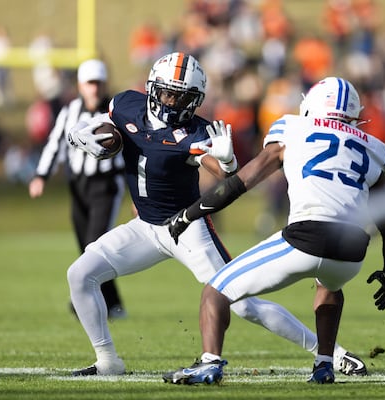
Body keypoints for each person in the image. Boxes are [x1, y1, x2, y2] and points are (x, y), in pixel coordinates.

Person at [65, 52, 367, 377]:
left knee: (243, 304)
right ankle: (108, 361)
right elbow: (111, 130)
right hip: (144, 227)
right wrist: (88, 134)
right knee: (80, 274)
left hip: (186, 228)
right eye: (169, 93)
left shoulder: (197, 131)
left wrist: (227, 162)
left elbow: (223, 173)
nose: (173, 102)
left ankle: (332, 353)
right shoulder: (125, 103)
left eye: (183, 98)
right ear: (153, 88)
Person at [162, 76, 385, 385]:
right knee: (329, 285)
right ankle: (324, 364)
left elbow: (238, 184)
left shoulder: (292, 129)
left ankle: (210, 362)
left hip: (306, 238)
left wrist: (188, 214)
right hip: (352, 254)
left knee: (216, 290)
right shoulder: (373, 149)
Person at [29, 59, 127, 319]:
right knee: (86, 244)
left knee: (95, 244)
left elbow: (135, 153)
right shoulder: (70, 110)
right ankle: (114, 302)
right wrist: (41, 175)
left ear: (104, 84)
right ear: (81, 86)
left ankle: (86, 300)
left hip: (107, 184)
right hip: (78, 186)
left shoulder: (116, 112)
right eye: (89, 83)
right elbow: (55, 144)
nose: (94, 89)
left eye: (98, 83)